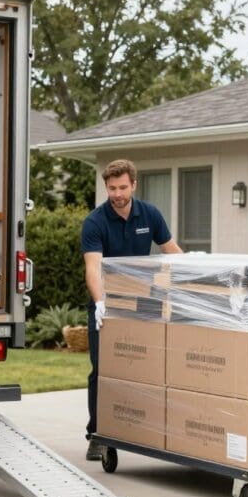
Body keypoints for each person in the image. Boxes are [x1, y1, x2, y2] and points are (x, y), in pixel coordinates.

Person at [80, 159, 182, 460]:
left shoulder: (149, 214)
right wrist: (100, 303)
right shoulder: (95, 222)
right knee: (103, 370)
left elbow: (171, 252)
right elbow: (93, 267)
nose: (117, 194)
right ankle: (97, 434)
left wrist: (195, 273)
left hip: (141, 304)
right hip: (106, 306)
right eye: (111, 188)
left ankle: (136, 430)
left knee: (141, 368)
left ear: (133, 185)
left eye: (122, 187)